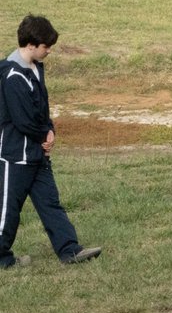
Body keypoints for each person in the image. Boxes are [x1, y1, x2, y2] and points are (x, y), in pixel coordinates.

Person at [0, 16, 102, 269]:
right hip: (17, 155)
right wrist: (43, 136)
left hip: (37, 153)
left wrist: (50, 130)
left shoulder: (35, 68)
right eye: (46, 46)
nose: (49, 51)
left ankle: (70, 250)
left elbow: (41, 109)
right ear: (32, 44)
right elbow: (22, 120)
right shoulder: (13, 76)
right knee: (8, 211)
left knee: (50, 203)